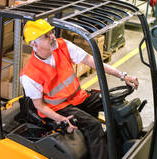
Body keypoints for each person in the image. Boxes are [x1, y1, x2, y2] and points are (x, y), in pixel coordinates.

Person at [19, 19, 139, 159]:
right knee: (93, 126)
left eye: (51, 32)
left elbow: (91, 60)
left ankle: (121, 146)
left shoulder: (63, 45)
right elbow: (39, 106)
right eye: (46, 36)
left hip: (79, 97)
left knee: (114, 102)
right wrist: (61, 119)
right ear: (33, 43)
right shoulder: (29, 74)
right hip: (59, 108)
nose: (52, 36)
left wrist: (122, 75)